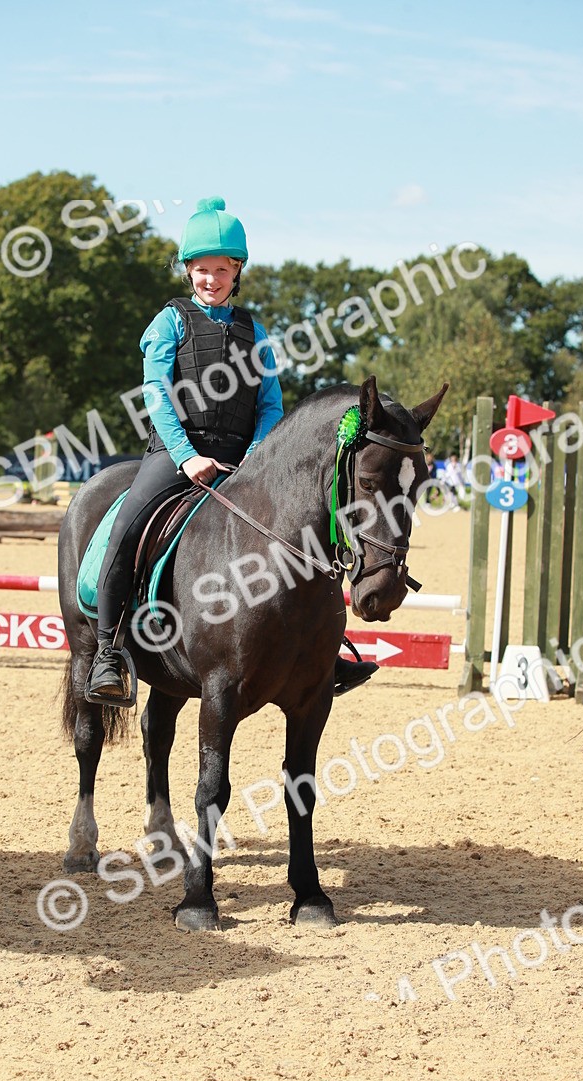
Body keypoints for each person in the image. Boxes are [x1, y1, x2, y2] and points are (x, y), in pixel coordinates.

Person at [85, 196, 378, 704]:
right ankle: (108, 652)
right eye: (202, 269)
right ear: (188, 270)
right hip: (176, 457)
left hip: (242, 462)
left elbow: (270, 403)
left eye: (221, 269)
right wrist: (186, 455)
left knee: (308, 532)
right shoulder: (169, 322)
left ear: (237, 270)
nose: (211, 279)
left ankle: (322, 652)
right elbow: (156, 394)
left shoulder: (254, 331)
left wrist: (258, 456)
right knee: (127, 527)